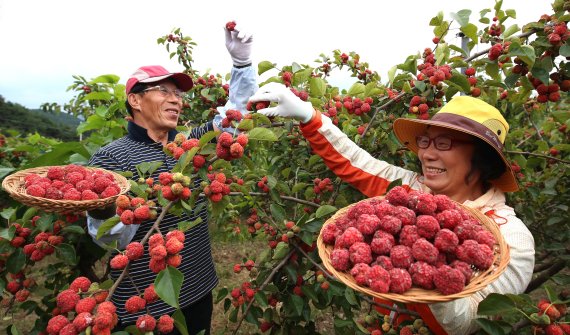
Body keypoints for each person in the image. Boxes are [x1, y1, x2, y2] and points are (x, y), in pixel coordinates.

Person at [248, 83, 535, 335]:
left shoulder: (509, 237)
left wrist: (432, 273)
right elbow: (357, 163)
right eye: (426, 141)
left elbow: (467, 321)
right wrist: (310, 117)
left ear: (481, 157)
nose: (427, 153)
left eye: (444, 143)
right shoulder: (412, 193)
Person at [86, 22, 257, 335]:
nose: (176, 99)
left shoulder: (190, 145)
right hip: (146, 303)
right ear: (135, 101)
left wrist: (242, 64)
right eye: (163, 91)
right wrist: (106, 206)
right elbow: (108, 236)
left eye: (178, 94)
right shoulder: (111, 158)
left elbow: (234, 122)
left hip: (198, 284)